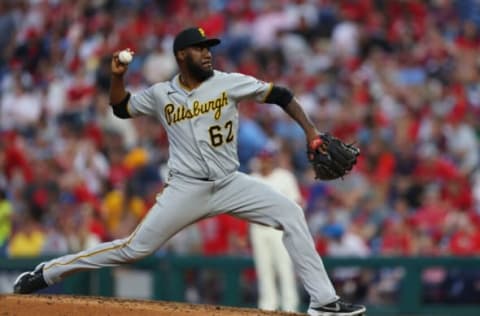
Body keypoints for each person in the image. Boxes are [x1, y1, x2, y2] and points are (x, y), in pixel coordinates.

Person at [13, 27, 366, 316]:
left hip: (231, 182)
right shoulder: (161, 94)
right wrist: (117, 77)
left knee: (290, 212)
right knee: (135, 248)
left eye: (209, 48)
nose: (207, 53)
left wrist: (311, 132)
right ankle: (48, 272)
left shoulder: (228, 82)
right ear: (182, 56)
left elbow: (281, 94)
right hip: (186, 189)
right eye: (199, 49)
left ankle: (324, 302)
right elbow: (121, 108)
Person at [249, 146, 301, 312]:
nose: (265, 162)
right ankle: (267, 307)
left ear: (273, 160)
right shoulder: (251, 178)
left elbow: (296, 203)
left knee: (284, 268)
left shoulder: (285, 177)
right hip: (258, 228)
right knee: (264, 269)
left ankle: (289, 308)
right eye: (262, 159)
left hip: (279, 229)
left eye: (268, 159)